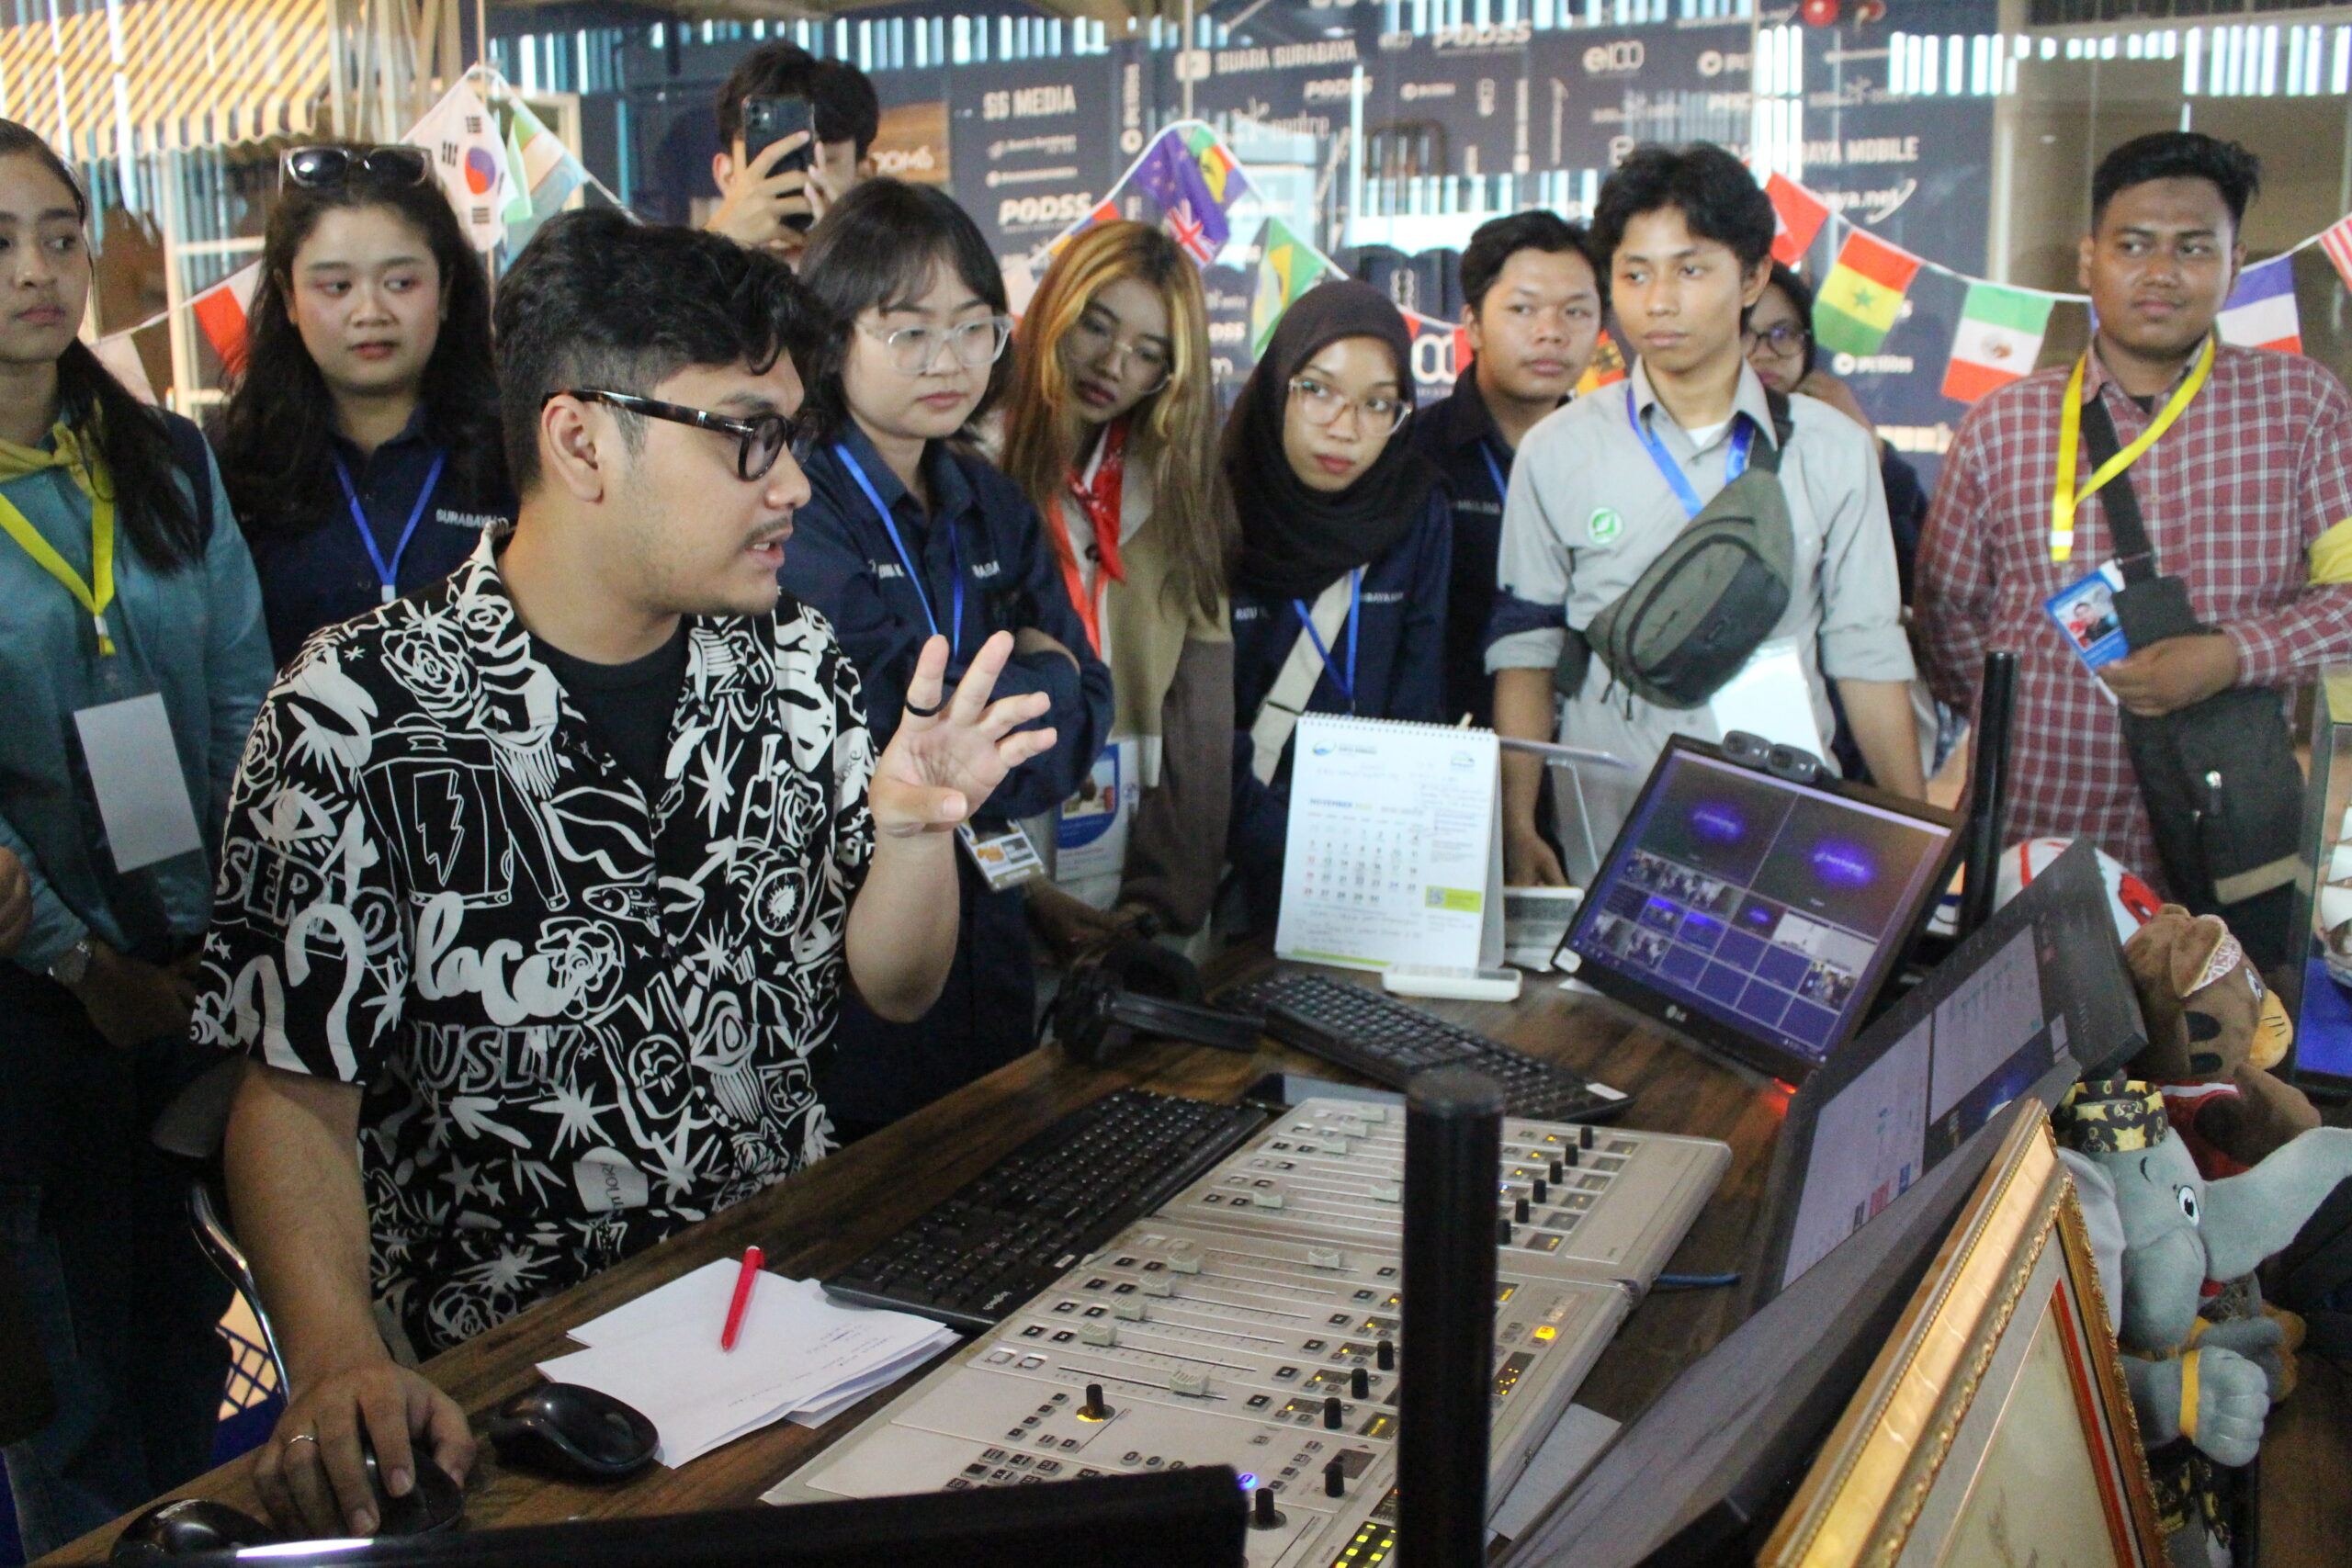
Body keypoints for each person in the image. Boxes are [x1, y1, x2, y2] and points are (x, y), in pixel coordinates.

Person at [197, 209, 1057, 1539]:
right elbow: (291, 1084)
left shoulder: (795, 667)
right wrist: (334, 1354)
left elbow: (893, 986)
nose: (790, 486)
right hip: (514, 1376)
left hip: (785, 1315)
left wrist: (912, 826)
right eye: (745, 437)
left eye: (798, 436)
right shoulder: (354, 713)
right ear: (581, 437)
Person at [0, 120, 274, 1558]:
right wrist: (81, 961)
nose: (40, 271)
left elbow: (239, 685)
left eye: (59, 233)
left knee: (194, 1363)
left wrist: (231, 919)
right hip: (32, 1010)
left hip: (197, 968)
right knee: (75, 1401)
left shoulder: (159, 453)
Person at [1917, 132, 2352, 900]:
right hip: (2036, 825)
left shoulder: (2302, 407)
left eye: (2192, 248)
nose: (2161, 273)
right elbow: (1952, 621)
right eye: (2134, 245)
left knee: (2219, 1018)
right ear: (2090, 260)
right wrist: (2026, 715)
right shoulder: (2002, 423)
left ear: (2236, 262)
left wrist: (2232, 656)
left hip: (2226, 830)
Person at [1487, 143, 1922, 887]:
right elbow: (1525, 653)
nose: (1658, 301)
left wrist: (1915, 834)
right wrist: (1519, 823)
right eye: (1634, 273)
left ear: (1752, 276)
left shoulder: (1834, 452)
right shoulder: (1557, 451)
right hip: (1609, 824)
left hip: (1782, 824)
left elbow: (1866, 655)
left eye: (1691, 270)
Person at [783, 180, 1113, 1134]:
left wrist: (1049, 690)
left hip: (994, 934)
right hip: (847, 948)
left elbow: (1085, 713)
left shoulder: (988, 497)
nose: (951, 362)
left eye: (975, 329)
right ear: (834, 334)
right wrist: (1041, 673)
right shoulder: (799, 510)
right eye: (910, 331)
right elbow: (893, 735)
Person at [999, 220, 1235, 959]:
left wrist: (1158, 908)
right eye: (1095, 327)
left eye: (1149, 354)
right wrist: (1021, 893)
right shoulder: (971, 476)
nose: (1112, 364)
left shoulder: (1178, 493)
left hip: (1137, 882)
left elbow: (1200, 728)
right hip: (998, 884)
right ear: (1054, 311)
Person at [216, 143, 511, 668]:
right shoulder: (234, 466)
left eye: (401, 283)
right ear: (288, 297)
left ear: (444, 291)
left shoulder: (518, 452)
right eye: (336, 286)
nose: (370, 312)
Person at [1226, 280, 1450, 928]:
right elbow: (1200, 732)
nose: (1345, 428)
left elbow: (1417, 701)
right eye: (1317, 390)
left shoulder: (1414, 511)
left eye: (1378, 405)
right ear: (1278, 384)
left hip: (1368, 865)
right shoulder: (1217, 502)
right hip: (1231, 848)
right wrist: (1291, 844)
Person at [1409, 211, 1604, 728]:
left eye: (1576, 313)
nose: (1551, 333)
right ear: (1472, 324)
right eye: (1523, 309)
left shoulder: (1615, 459)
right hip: (1442, 744)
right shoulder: (1414, 456)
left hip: (1576, 752)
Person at [1742, 262, 1929, 603]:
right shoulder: (1688, 438)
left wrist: (1869, 448)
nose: (1765, 353)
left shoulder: (1839, 434)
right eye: (1743, 334)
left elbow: (1911, 578)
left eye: (1783, 334)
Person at [707, 44, 880, 259]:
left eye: (819, 160)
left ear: (862, 178)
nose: (794, 180)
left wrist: (845, 260)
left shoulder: (898, 278)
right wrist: (718, 244)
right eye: (768, 162)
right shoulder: (686, 282)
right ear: (727, 176)